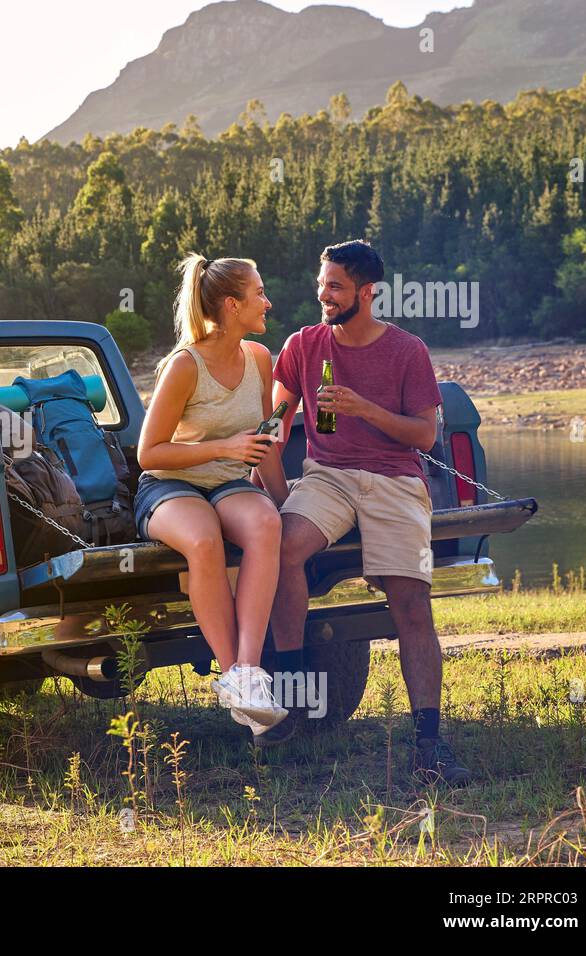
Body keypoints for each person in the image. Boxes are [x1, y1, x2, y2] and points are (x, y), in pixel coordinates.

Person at [256, 239, 470, 785]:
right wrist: (277, 495)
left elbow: (425, 434)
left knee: (411, 603)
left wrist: (363, 408)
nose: (323, 296)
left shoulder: (407, 351)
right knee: (284, 548)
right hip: (327, 478)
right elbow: (274, 427)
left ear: (368, 292)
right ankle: (292, 691)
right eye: (321, 284)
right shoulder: (303, 345)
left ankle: (428, 741)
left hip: (395, 480)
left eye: (336, 287)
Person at [136, 254, 290, 735]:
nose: (268, 302)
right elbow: (148, 453)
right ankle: (231, 677)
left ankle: (249, 672)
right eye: (259, 294)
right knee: (203, 540)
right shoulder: (184, 365)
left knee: (267, 524)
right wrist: (224, 446)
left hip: (227, 483)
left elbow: (261, 440)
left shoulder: (259, 359)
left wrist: (283, 500)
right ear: (231, 304)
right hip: (169, 484)